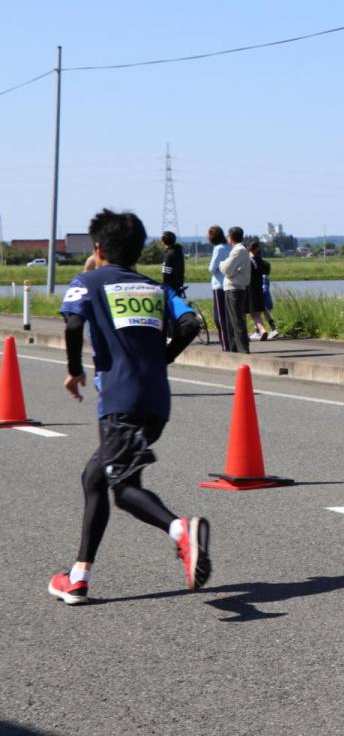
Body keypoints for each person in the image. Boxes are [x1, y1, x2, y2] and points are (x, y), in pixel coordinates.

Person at [48, 209, 211, 605]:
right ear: (140, 250)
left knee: (122, 488)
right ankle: (78, 576)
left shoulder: (87, 282)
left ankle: (180, 530)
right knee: (94, 478)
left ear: (98, 248)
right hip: (157, 402)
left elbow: (72, 325)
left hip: (120, 402)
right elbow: (191, 324)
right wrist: (163, 359)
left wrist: (73, 371)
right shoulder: (157, 288)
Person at [218, 226, 251, 353]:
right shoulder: (238, 250)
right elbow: (230, 269)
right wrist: (227, 267)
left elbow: (226, 268)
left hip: (234, 288)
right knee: (231, 321)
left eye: (228, 235)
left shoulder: (239, 250)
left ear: (231, 237)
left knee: (236, 320)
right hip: (232, 287)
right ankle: (234, 348)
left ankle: (242, 348)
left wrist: (222, 264)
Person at [245, 241, 278, 340]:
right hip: (262, 286)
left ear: (248, 249)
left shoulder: (249, 261)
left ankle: (258, 331)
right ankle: (271, 328)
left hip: (252, 287)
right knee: (262, 308)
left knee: (254, 310)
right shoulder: (263, 263)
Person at [207, 225, 232, 351]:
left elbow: (212, 268)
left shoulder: (218, 248)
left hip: (219, 285)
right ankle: (232, 343)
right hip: (231, 285)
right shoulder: (229, 246)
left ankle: (225, 344)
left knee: (220, 318)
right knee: (230, 316)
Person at [160, 230, 185, 295]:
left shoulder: (169, 254)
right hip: (179, 284)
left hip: (171, 287)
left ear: (163, 242)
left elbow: (166, 273)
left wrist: (164, 286)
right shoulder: (178, 252)